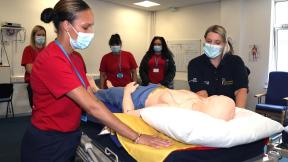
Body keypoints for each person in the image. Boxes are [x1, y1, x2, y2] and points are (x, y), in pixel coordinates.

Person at [20, 1, 170, 162]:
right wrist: (137, 137)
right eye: (85, 27)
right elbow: (92, 106)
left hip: (71, 134)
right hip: (49, 141)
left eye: (92, 27)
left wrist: (114, 117)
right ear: (66, 25)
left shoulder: (76, 58)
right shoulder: (52, 59)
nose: (91, 32)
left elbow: (91, 96)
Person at [95, 81, 236, 121]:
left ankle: (97, 90)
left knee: (110, 94)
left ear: (212, 106)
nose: (218, 95)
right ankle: (112, 88)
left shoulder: (173, 110)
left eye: (220, 98)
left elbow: (129, 114)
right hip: (155, 88)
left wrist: (126, 93)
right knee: (116, 89)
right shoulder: (199, 100)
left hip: (137, 97)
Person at [188, 25, 248, 108]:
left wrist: (239, 113)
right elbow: (201, 94)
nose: (212, 45)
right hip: (207, 111)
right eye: (209, 41)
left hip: (232, 111)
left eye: (217, 42)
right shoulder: (195, 64)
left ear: (224, 44)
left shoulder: (236, 62)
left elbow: (241, 90)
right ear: (205, 40)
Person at [21, 25, 46, 108]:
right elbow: (29, 69)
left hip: (47, 84)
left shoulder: (47, 50)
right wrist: (45, 70)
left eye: (43, 35)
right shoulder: (28, 49)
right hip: (34, 84)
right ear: (33, 36)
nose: (41, 37)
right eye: (39, 35)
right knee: (36, 108)